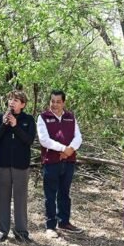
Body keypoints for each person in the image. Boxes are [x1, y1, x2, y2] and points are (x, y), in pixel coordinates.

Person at [0, 90, 37, 243]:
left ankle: (21, 231)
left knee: (20, 198)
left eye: (16, 100)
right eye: (10, 99)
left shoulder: (28, 120)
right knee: (2, 197)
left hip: (20, 165)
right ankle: (2, 230)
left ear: (22, 104)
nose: (12, 102)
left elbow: (29, 140)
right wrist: (4, 125)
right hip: (2, 164)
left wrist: (16, 126)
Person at [37, 90, 84, 238]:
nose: (55, 104)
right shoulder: (43, 117)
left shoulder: (71, 117)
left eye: (58, 101)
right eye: (52, 101)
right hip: (51, 162)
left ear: (63, 102)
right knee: (50, 194)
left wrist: (70, 150)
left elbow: (78, 137)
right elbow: (44, 140)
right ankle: (50, 226)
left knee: (65, 193)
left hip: (68, 162)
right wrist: (64, 149)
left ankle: (64, 222)